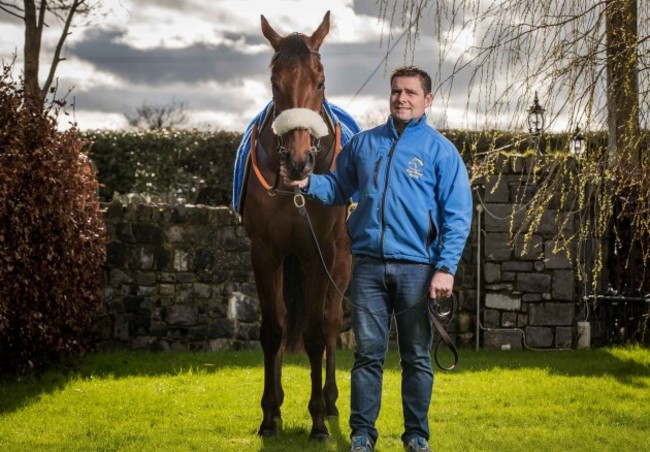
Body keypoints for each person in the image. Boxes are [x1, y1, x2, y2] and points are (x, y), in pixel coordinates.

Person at [281, 66, 473, 452]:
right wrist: (308, 183)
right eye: (396, 91)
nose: (402, 98)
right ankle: (362, 437)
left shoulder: (441, 152)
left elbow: (457, 216)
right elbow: (338, 187)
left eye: (411, 93)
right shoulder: (364, 144)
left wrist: (445, 268)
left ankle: (416, 436)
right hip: (367, 267)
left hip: (418, 270)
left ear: (427, 101)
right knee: (367, 355)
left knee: (416, 357)